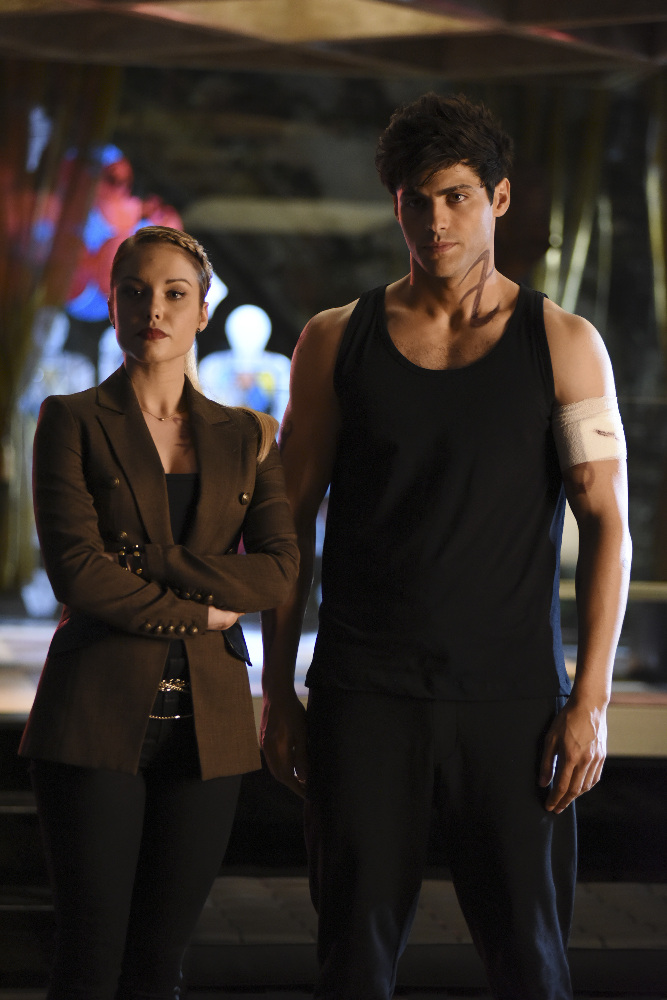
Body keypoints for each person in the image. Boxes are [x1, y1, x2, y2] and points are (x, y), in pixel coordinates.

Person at [259, 94, 631, 1000]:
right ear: (395, 205)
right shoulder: (334, 341)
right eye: (416, 200)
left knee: (531, 967)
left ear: (498, 198)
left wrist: (588, 701)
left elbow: (607, 524)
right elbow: (285, 521)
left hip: (511, 704)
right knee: (351, 965)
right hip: (363, 696)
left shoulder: (563, 343)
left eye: (457, 196)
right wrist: (276, 688)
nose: (435, 221)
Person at [19, 225, 299, 1000]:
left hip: (211, 726)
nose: (154, 309)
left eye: (175, 294)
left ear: (203, 311)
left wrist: (156, 561)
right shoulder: (71, 419)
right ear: (112, 307)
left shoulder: (248, 434)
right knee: (89, 962)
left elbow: (277, 573)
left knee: (160, 966)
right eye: (135, 292)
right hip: (93, 713)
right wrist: (203, 613)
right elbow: (80, 575)